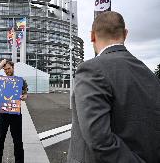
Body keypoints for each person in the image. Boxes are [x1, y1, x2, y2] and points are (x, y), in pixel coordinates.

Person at [67, 11, 160, 163]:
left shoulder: (91, 70)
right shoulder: (149, 74)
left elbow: (99, 140)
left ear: (92, 36)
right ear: (125, 33)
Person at [0, 59, 28, 163]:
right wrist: (1, 64)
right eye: (5, 69)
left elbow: (25, 95)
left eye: (9, 68)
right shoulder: (1, 79)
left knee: (18, 141)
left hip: (16, 113)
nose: (7, 71)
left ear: (13, 68)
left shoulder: (21, 80)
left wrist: (23, 97)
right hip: (2, 113)